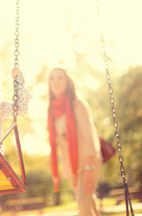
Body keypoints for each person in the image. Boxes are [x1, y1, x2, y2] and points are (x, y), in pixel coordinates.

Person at [47, 67, 102, 216]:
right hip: (73, 166)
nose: (56, 81)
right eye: (52, 78)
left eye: (60, 78)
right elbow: (57, 145)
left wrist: (90, 167)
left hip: (88, 161)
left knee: (83, 206)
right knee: (88, 204)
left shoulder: (77, 104)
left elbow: (90, 137)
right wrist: (63, 171)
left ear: (67, 82)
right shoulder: (52, 111)